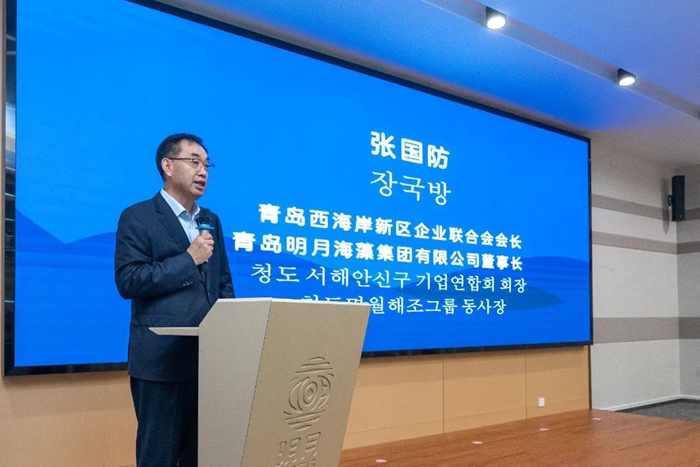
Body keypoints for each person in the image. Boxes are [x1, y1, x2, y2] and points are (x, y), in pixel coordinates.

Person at [114, 133, 234, 467]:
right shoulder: (138, 216)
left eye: (206, 164)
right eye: (194, 161)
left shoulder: (210, 220)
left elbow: (222, 283)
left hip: (207, 361)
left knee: (201, 455)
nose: (203, 171)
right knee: (159, 458)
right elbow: (129, 279)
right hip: (161, 362)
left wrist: (229, 330)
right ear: (167, 166)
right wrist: (188, 259)